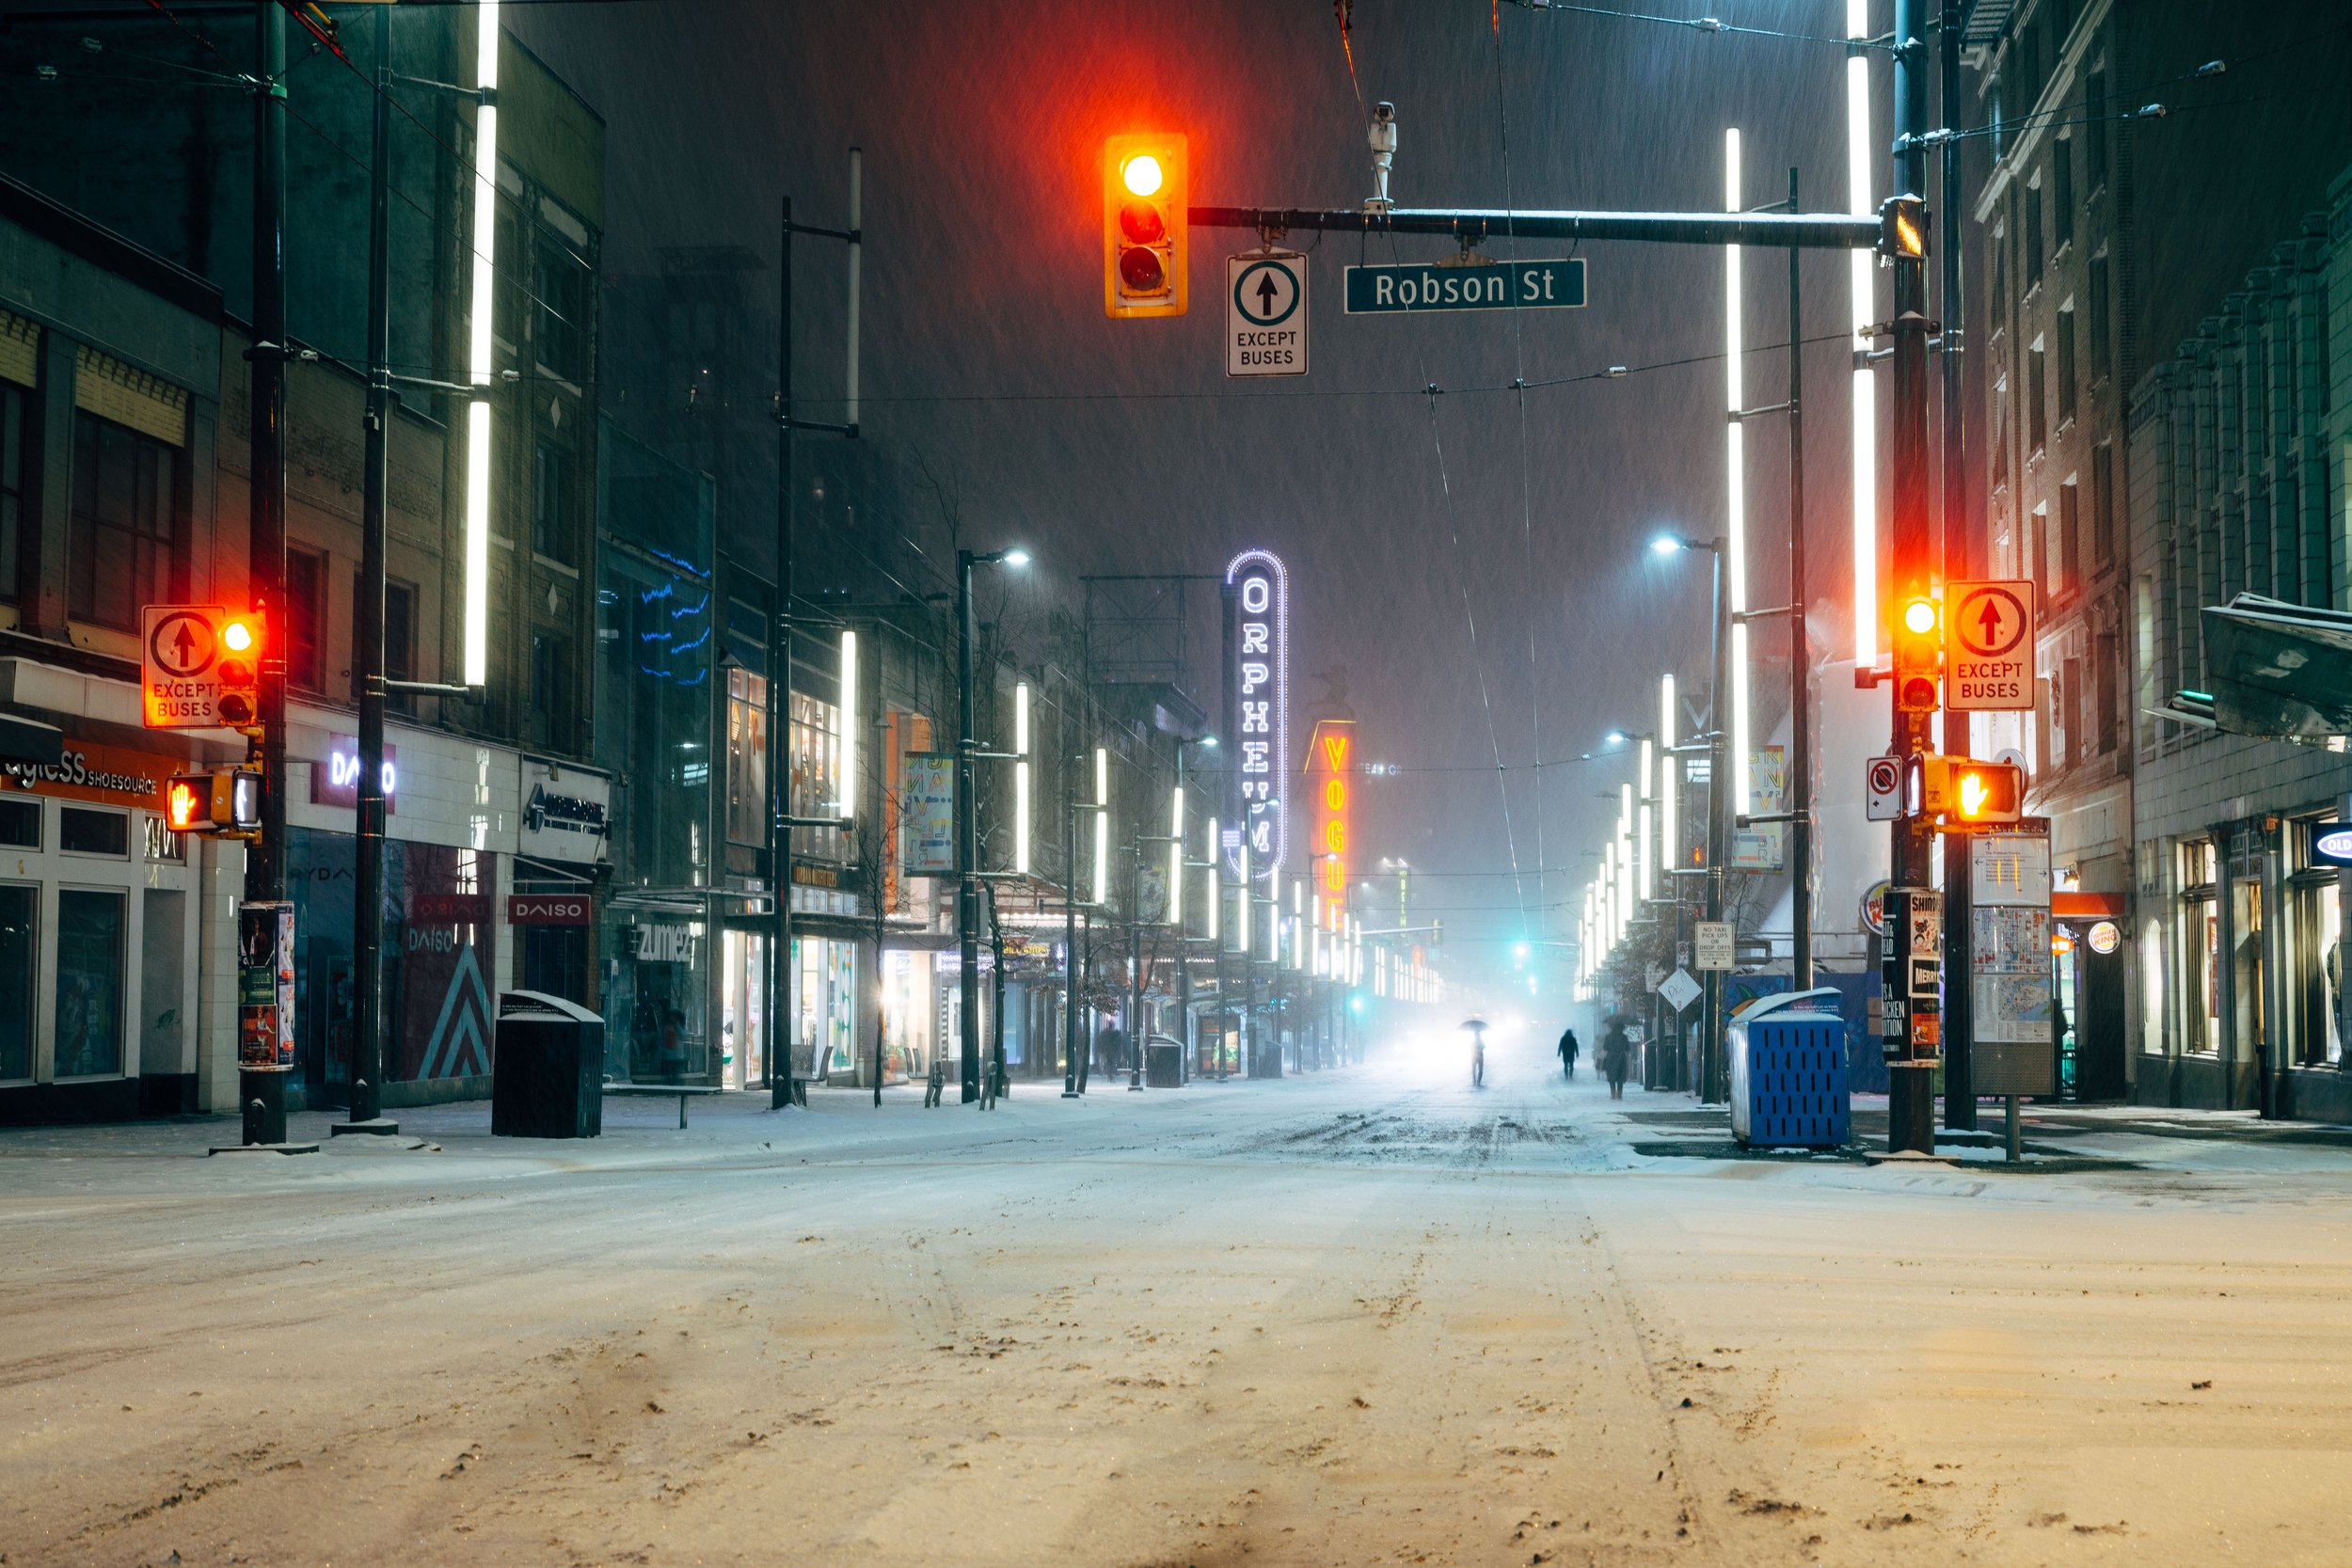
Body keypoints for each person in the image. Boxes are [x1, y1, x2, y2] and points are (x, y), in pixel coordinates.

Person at [1599, 1018, 1631, 1101]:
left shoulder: (1608, 1036)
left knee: (1612, 1077)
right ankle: (1619, 1095)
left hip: (1610, 1058)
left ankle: (1613, 1094)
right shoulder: (1624, 1037)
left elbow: (1605, 1048)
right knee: (1620, 1077)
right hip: (1621, 1058)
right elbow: (1627, 1049)